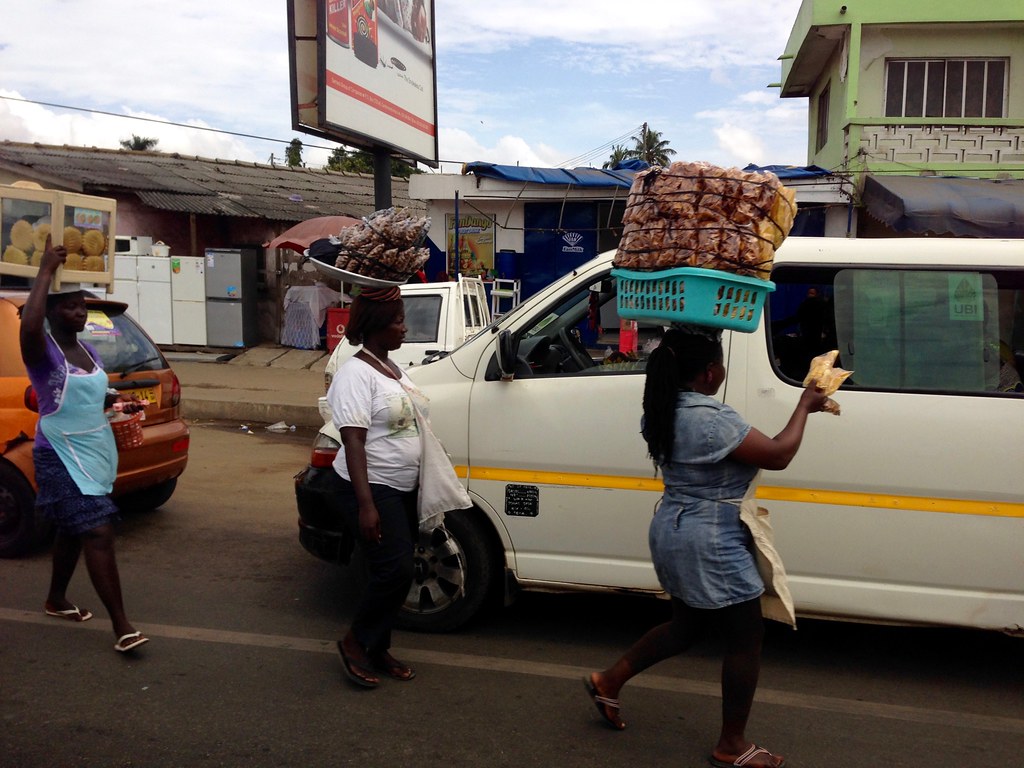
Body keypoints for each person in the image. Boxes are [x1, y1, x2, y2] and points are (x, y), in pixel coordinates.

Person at [584, 325, 828, 768]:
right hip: (710, 536)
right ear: (710, 371)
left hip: (675, 526)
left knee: (687, 625)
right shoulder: (710, 417)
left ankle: (609, 680)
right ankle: (731, 745)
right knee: (745, 637)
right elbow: (777, 454)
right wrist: (804, 406)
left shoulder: (661, 408)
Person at [20, 236, 149, 654]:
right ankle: (123, 627)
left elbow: (92, 394)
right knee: (96, 530)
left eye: (83, 305)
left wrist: (116, 401)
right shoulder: (44, 353)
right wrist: (45, 271)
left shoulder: (88, 350)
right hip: (58, 454)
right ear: (53, 310)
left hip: (94, 450)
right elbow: (28, 325)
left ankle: (56, 598)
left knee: (71, 529)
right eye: (70, 305)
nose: (80, 311)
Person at [326, 285, 426, 688]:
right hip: (368, 487)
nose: (405, 328)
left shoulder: (392, 368)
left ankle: (377, 647)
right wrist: (366, 506)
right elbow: (353, 441)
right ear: (375, 327)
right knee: (396, 570)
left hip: (400, 486)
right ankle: (355, 643)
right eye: (398, 321)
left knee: (387, 570)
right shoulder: (355, 374)